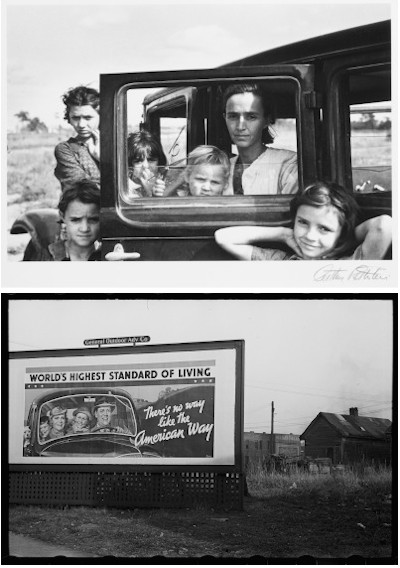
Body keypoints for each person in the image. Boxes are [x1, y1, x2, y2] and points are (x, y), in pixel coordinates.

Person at [215, 180, 392, 260]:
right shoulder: (281, 261)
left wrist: (343, 241)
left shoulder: (352, 265)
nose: (310, 236)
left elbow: (384, 225)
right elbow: (223, 237)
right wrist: (284, 234)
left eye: (324, 228)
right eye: (303, 222)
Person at [222, 82, 298, 195]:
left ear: (266, 120)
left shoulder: (287, 164)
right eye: (233, 117)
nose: (240, 127)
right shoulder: (223, 167)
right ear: (225, 118)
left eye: (251, 117)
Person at [30, 180, 101, 261]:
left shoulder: (108, 256)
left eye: (93, 220)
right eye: (75, 220)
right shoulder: (46, 256)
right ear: (62, 216)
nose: (84, 229)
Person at [54, 85, 100, 192]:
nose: (81, 124)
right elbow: (81, 188)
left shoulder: (116, 142)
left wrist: (102, 157)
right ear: (69, 118)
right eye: (75, 118)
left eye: (88, 118)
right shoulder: (66, 149)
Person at [160, 145, 230, 197]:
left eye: (215, 182)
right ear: (187, 176)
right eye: (201, 179)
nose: (206, 188)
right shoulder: (180, 200)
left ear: (225, 184)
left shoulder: (230, 205)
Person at [126, 130, 167, 198]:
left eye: (151, 160)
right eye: (138, 161)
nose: (145, 166)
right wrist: (150, 192)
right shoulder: (125, 190)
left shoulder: (165, 182)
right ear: (130, 165)